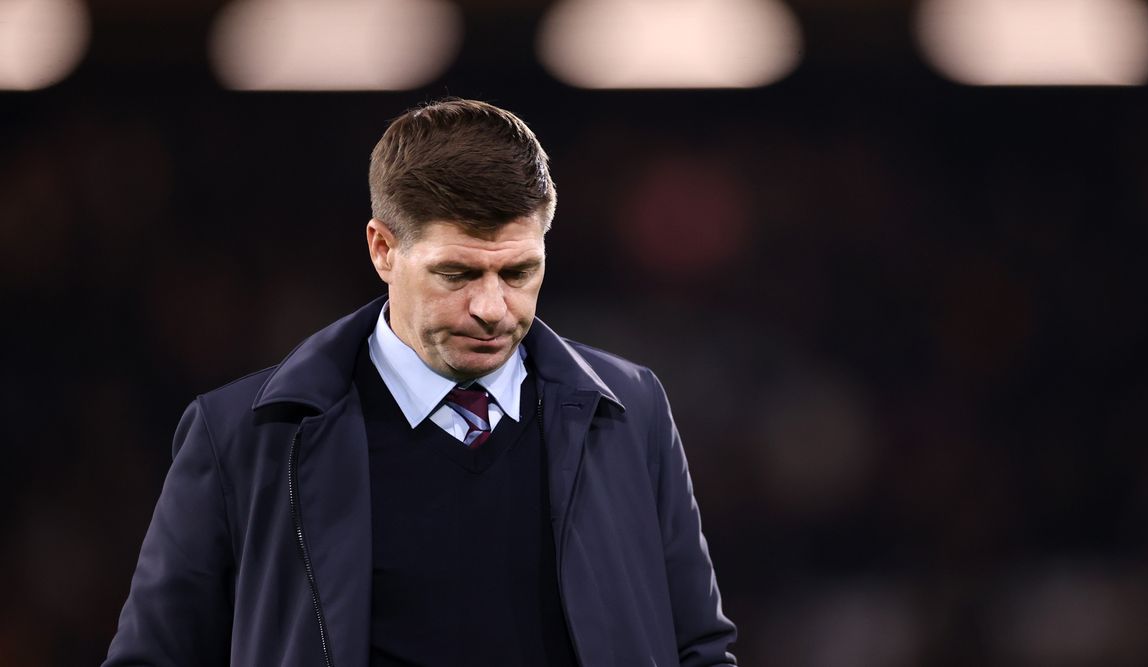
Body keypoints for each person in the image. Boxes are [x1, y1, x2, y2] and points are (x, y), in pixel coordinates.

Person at [104, 99, 737, 667]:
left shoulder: (632, 412)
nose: (492, 307)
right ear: (382, 249)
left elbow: (699, 650)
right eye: (457, 274)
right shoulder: (242, 438)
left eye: (518, 271)